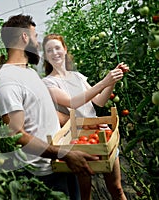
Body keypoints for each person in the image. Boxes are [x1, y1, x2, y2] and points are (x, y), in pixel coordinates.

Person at [0, 14, 99, 200]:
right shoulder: (7, 80)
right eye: (35, 36)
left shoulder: (29, 73)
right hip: (45, 173)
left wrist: (83, 126)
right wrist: (63, 154)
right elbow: (16, 134)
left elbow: (47, 113)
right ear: (24, 37)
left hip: (61, 161)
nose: (37, 42)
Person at [42, 33, 128, 200]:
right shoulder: (48, 83)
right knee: (85, 195)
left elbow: (100, 101)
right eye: (49, 50)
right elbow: (72, 102)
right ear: (45, 56)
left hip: (101, 135)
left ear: (65, 49)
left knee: (117, 189)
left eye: (57, 48)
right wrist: (104, 81)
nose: (55, 53)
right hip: (78, 142)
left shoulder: (77, 76)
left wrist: (112, 81)